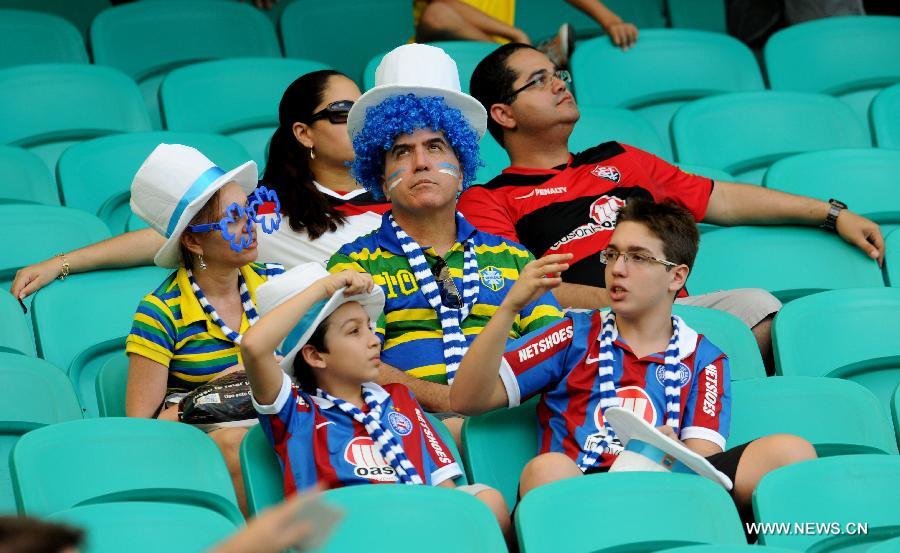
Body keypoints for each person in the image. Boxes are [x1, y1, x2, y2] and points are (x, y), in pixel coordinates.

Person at [462, 42, 885, 366]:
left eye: (558, 74)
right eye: (538, 80)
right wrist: (629, 301)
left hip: (677, 316)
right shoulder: (488, 199)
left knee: (757, 311)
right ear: (504, 114)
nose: (559, 84)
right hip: (590, 327)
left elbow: (722, 198)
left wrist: (831, 215)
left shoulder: (619, 159)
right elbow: (518, 290)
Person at [450, 199, 817, 526]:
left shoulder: (704, 357)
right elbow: (466, 401)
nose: (618, 269)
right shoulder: (572, 333)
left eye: (638, 257)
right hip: (580, 494)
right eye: (612, 255)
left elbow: (706, 461)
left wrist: (673, 451)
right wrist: (510, 307)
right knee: (547, 468)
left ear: (677, 276)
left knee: (789, 451)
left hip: (668, 491)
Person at [325, 44, 564, 440]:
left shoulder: (512, 256)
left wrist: (487, 403)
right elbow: (356, 367)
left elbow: (553, 345)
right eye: (402, 151)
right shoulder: (354, 265)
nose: (421, 162)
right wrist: (451, 403)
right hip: (412, 434)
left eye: (435, 147)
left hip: (513, 427)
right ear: (382, 178)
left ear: (462, 166)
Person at [10, 70, 389, 299]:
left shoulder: (403, 198)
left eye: (365, 111)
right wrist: (61, 263)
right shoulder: (267, 208)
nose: (359, 121)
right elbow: (171, 235)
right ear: (304, 133)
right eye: (343, 112)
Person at [239, 263, 512, 541]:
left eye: (369, 327)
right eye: (354, 332)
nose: (373, 341)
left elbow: (442, 486)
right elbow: (253, 347)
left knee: (488, 503)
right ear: (315, 355)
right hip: (347, 534)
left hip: (418, 519)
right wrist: (323, 288)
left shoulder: (398, 397)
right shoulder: (295, 412)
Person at [124, 144, 285, 516]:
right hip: (204, 446)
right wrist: (219, 391)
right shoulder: (160, 311)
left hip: (281, 421)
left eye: (249, 211)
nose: (251, 224)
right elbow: (142, 431)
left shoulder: (279, 284)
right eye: (233, 218)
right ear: (194, 240)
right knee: (237, 444)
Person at [414, 0, 639, 56]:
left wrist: (610, 20)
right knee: (437, 14)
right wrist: (515, 34)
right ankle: (534, 56)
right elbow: (438, 15)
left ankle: (528, 57)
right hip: (435, 55)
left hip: (494, 57)